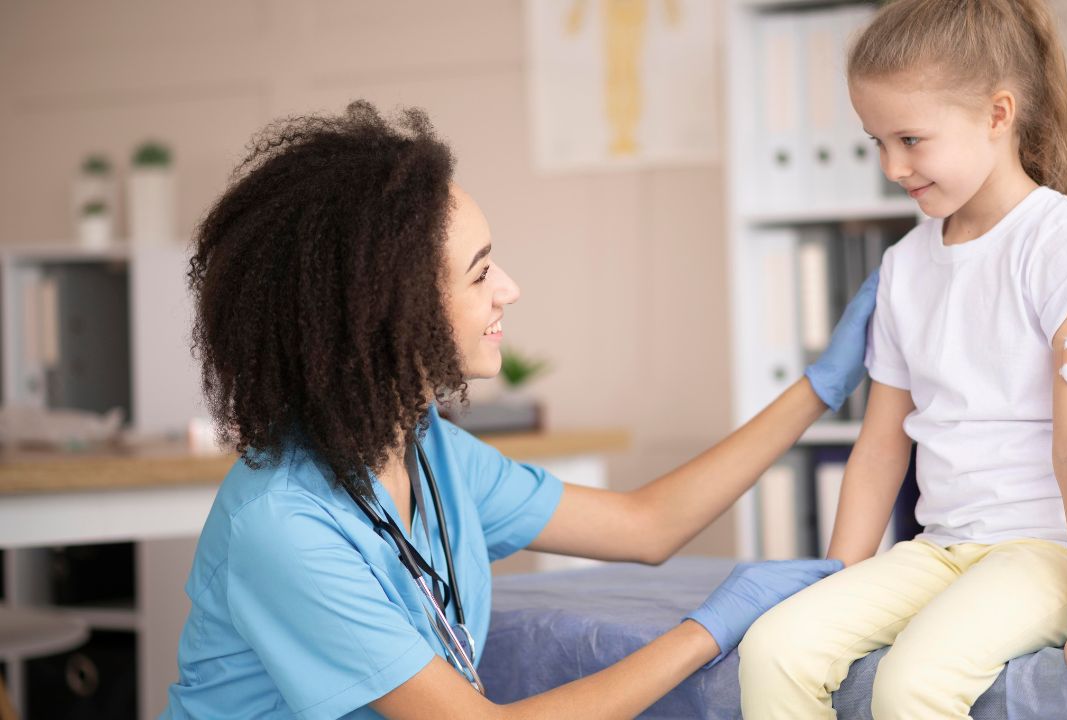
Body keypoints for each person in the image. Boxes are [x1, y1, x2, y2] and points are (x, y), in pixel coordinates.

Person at [159, 100, 879, 719]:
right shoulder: (285, 525)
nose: (509, 288)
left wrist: (818, 388)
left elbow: (647, 525)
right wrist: (710, 629)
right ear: (392, 313)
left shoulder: (426, 451)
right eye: (480, 273)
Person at [737, 1, 1067, 718]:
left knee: (914, 683)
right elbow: (879, 449)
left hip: (1050, 553)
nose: (891, 166)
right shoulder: (905, 267)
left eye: (910, 138)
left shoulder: (1064, 249)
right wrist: (837, 578)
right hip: (941, 550)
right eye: (876, 141)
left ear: (998, 115)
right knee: (774, 648)